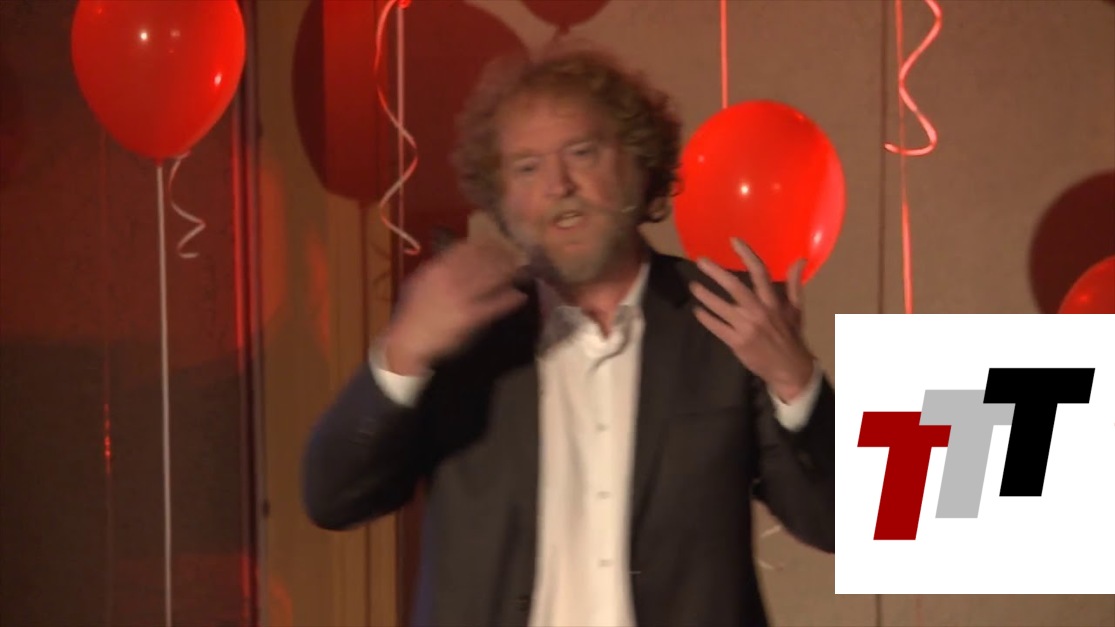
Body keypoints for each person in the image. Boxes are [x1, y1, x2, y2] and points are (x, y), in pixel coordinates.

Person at [302, 40, 835, 627]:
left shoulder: (727, 317)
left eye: (582, 153)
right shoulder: (464, 331)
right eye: (527, 167)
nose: (558, 185)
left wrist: (797, 381)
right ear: (502, 196)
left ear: (639, 163)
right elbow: (333, 501)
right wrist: (401, 355)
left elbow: (860, 527)